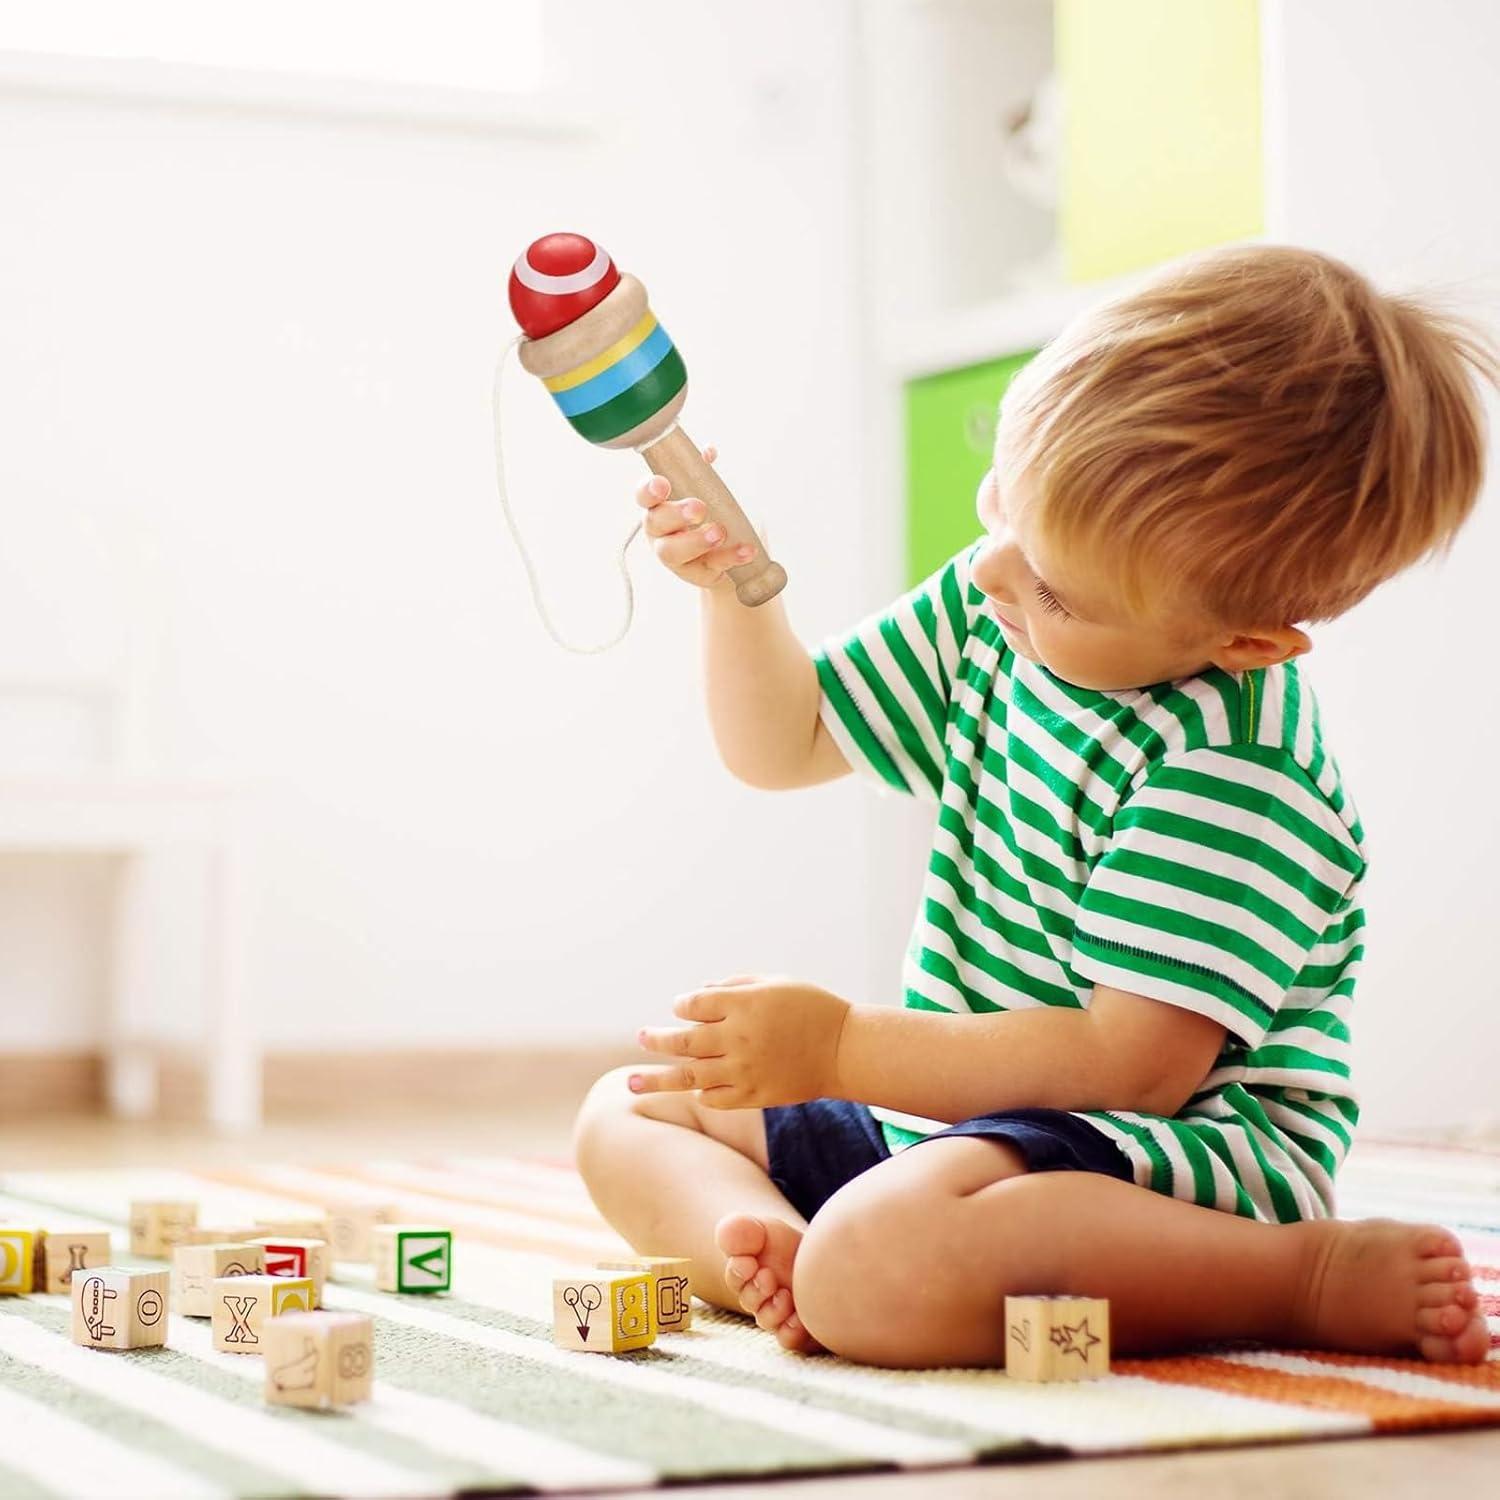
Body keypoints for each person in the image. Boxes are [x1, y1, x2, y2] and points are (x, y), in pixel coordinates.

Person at [573, 245, 1494, 1368]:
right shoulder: (1002, 599)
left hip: (1163, 1161)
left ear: (1243, 642)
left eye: (1052, 585)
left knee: (888, 1253)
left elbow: (1129, 1068)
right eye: (1002, 500)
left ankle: (1299, 1275)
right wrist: (733, 588)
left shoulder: (1236, 770)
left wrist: (846, 1045)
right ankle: (786, 1255)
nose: (994, 573)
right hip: (955, 1135)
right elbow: (790, 740)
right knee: (632, 1106)